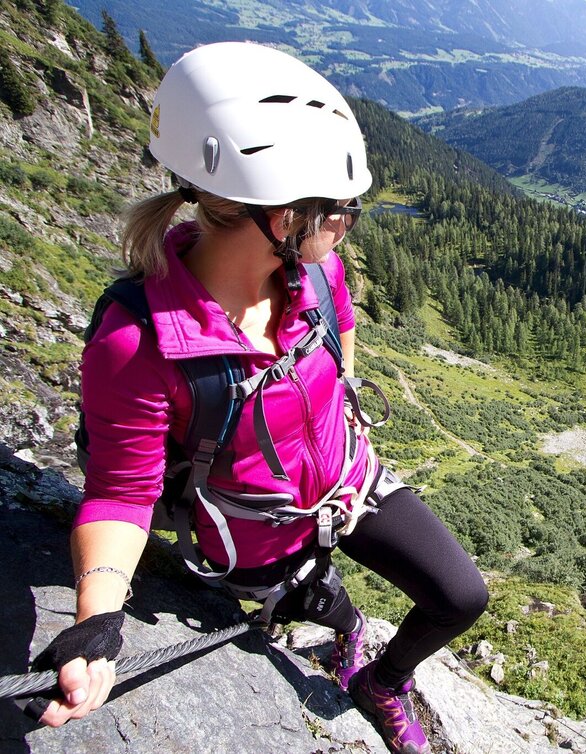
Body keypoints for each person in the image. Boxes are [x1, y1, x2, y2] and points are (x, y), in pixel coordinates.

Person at [31, 42, 487, 754]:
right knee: (321, 605)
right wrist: (96, 623)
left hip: (344, 488)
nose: (348, 219)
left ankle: (381, 682)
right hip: (251, 539)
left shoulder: (319, 276)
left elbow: (340, 369)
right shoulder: (140, 341)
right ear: (272, 214)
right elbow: (120, 495)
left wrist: (344, 460)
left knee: (461, 597)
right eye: (338, 207)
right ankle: (337, 625)